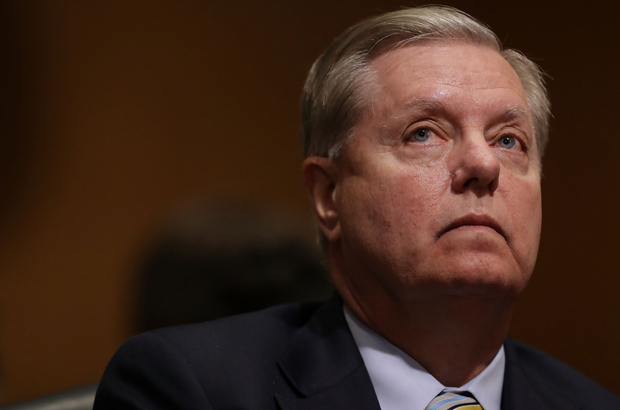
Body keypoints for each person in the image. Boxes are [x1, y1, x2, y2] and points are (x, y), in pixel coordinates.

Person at [94, 6, 620, 410]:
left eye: (509, 140)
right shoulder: (192, 389)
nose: (484, 164)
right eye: (424, 133)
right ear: (328, 195)